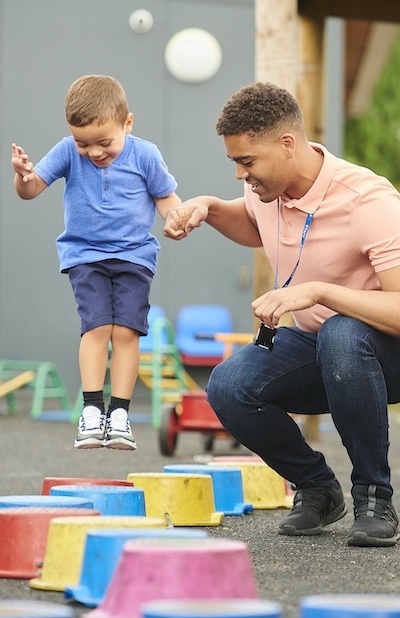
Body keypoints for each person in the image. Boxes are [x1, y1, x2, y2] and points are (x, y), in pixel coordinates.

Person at [163, 81, 400, 547]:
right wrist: (207, 207)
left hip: (383, 354)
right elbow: (253, 223)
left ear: (287, 144)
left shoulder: (368, 201)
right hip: (324, 349)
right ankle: (317, 488)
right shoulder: (266, 191)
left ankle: (374, 498)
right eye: (235, 162)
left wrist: (318, 292)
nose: (240, 174)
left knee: (341, 332)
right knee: (229, 385)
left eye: (246, 161)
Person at [12, 74, 181, 451]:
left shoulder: (145, 155)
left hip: (135, 256)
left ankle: (119, 414)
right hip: (85, 255)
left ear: (127, 123)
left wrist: (176, 218)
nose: (94, 152)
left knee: (126, 332)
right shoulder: (67, 151)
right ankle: (92, 410)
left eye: (104, 143)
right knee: (97, 326)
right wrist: (23, 176)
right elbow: (31, 189)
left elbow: (166, 198)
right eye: (83, 143)